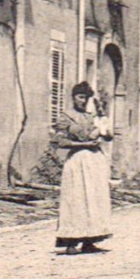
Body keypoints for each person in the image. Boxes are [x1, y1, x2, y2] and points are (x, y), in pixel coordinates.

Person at [55, 81, 115, 255]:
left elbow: (108, 136)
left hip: (94, 161)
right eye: (80, 97)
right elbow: (59, 141)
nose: (83, 101)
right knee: (75, 199)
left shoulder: (91, 117)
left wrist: (103, 119)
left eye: (86, 98)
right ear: (73, 97)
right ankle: (71, 242)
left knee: (94, 199)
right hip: (77, 160)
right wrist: (84, 143)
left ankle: (90, 240)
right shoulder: (65, 117)